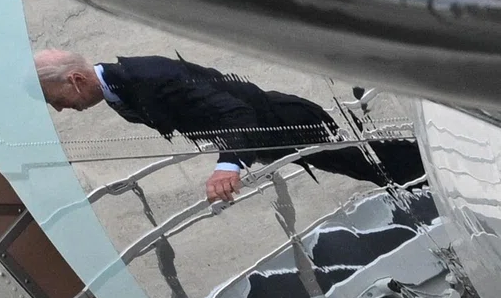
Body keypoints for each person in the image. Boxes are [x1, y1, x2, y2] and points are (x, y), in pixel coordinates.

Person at [34, 49, 426, 202]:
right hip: (274, 135)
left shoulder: (148, 78)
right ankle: (427, 177)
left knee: (372, 163)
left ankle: (435, 173)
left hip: (285, 123)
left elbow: (237, 112)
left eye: (58, 101)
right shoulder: (120, 90)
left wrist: (228, 164)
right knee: (365, 166)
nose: (62, 111)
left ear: (76, 81)